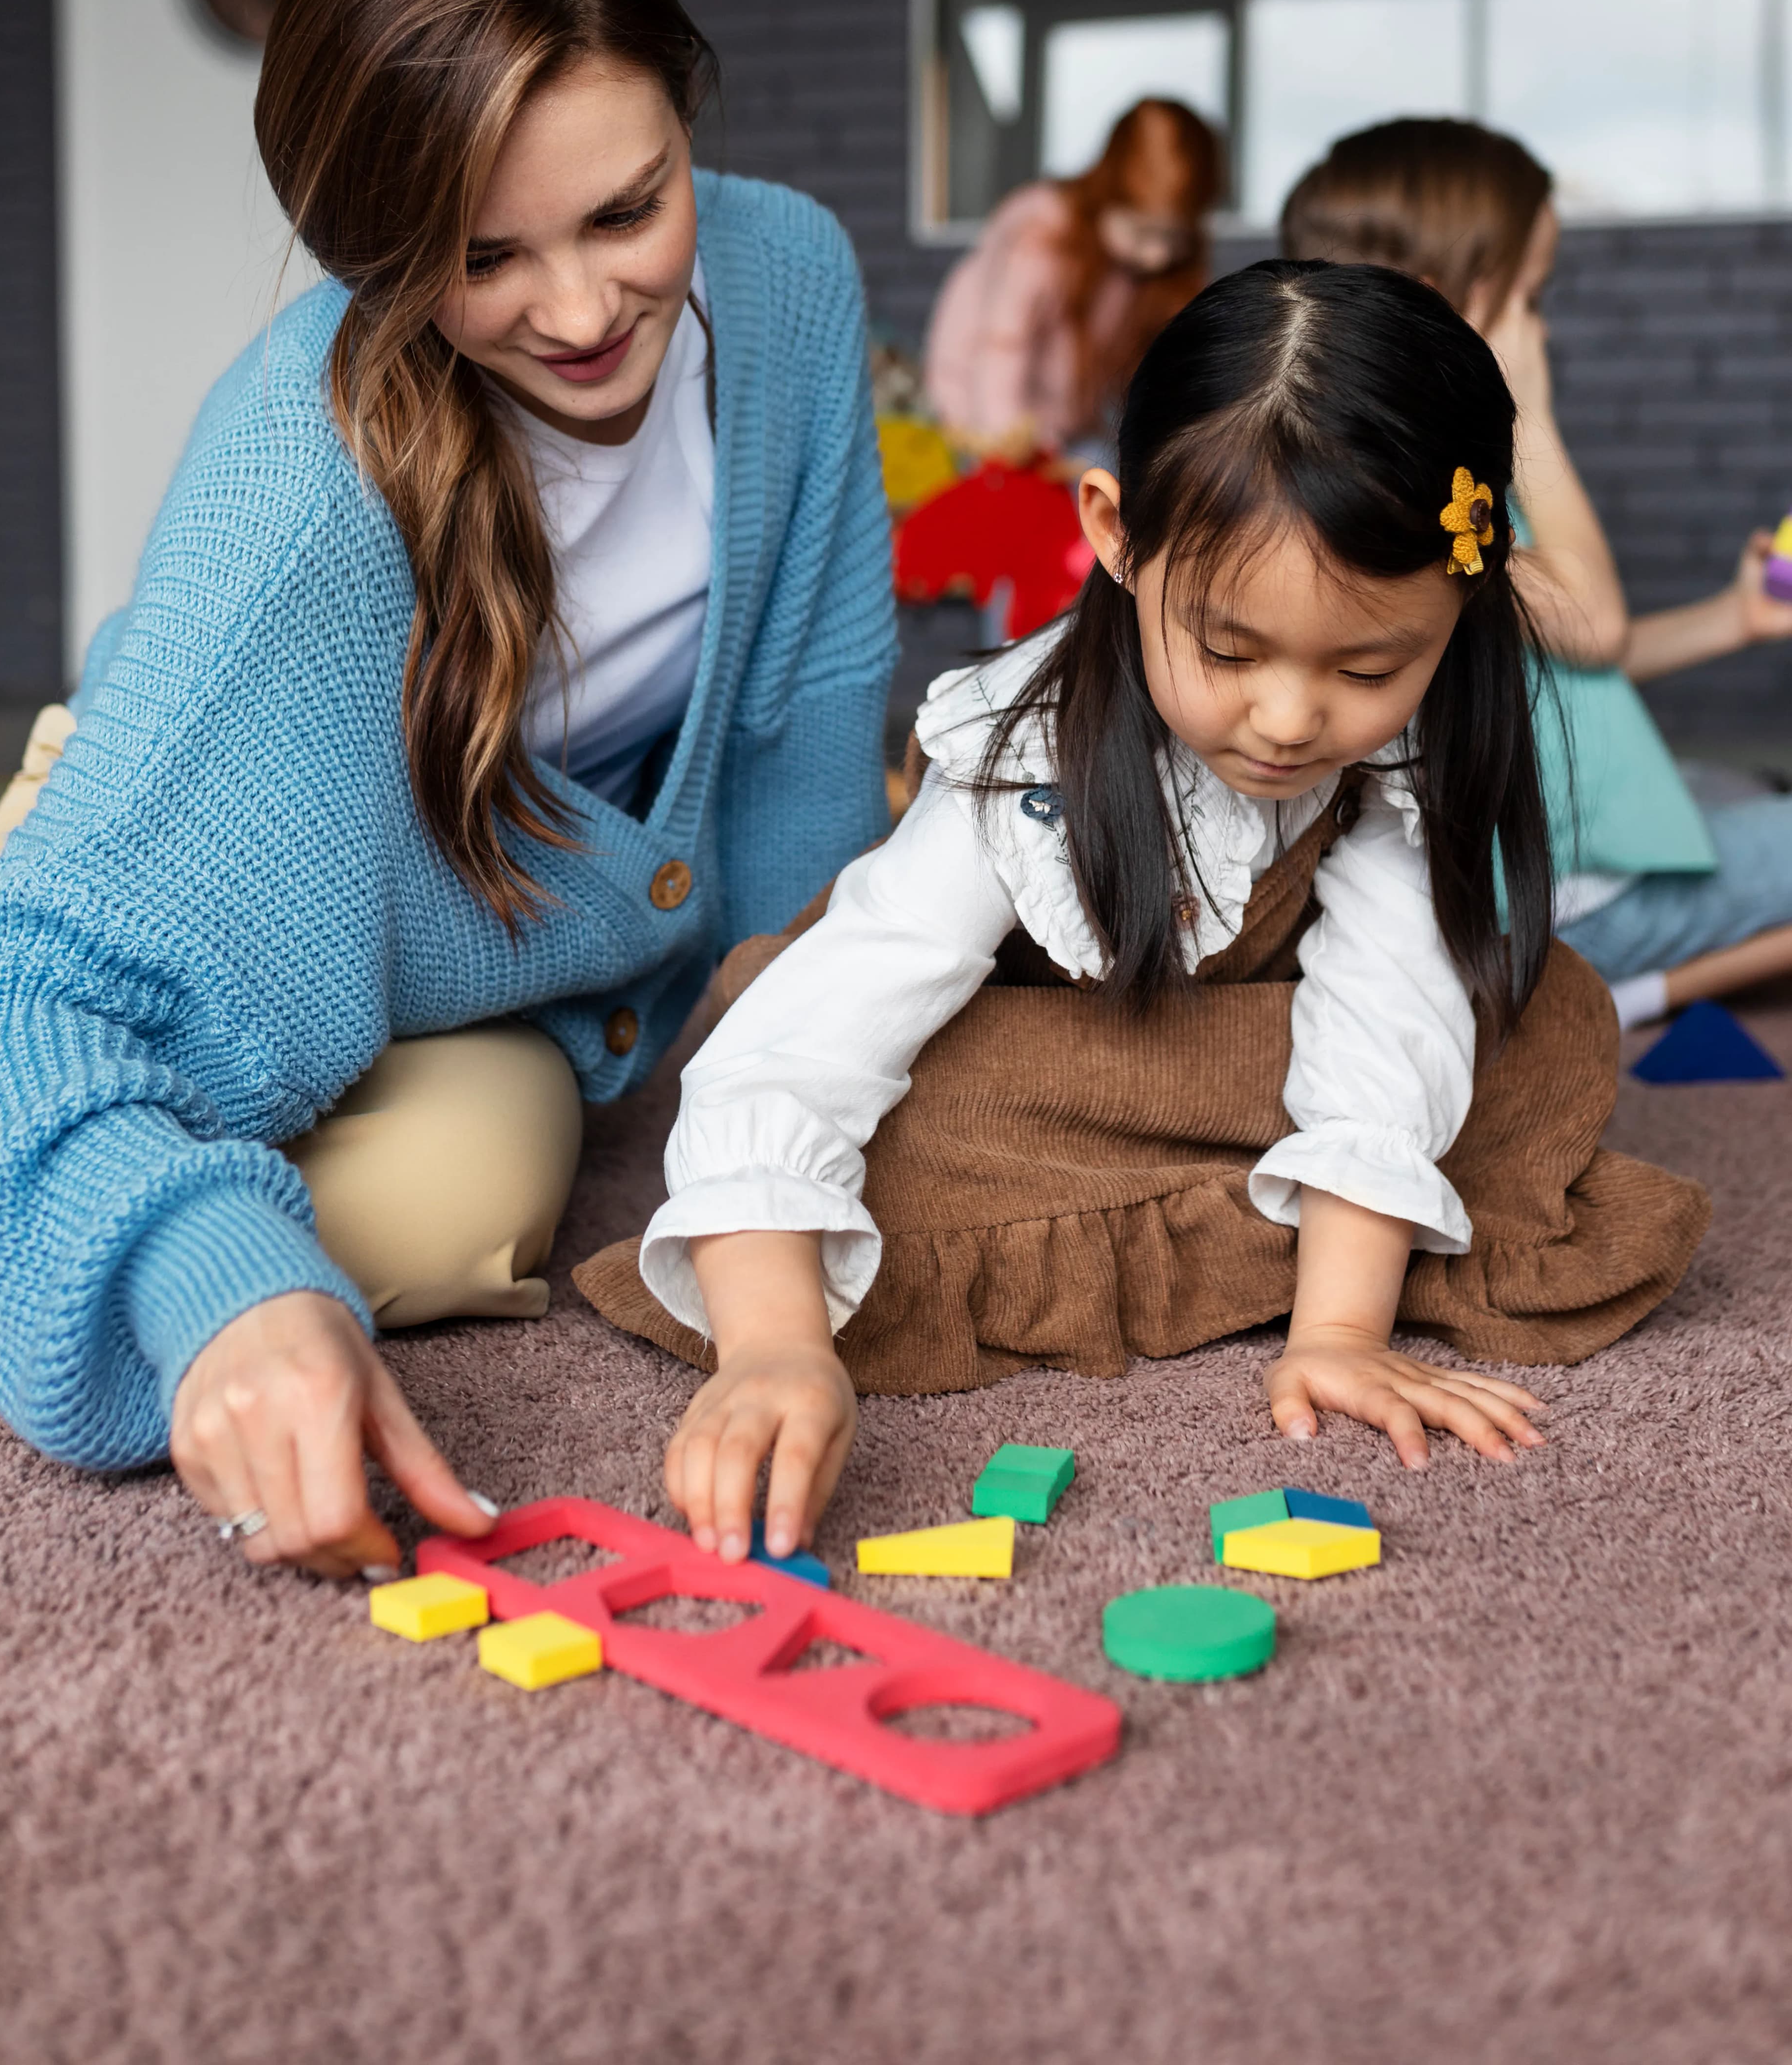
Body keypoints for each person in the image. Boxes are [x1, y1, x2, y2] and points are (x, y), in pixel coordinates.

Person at [0, 0, 895, 1578]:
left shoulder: (791, 281)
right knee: (53, 1264)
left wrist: (785, 1151)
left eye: (627, 205)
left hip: (484, 953)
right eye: (485, 255)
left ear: (686, 106)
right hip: (177, 838)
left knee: (482, 1195)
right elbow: (38, 1015)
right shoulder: (304, 504)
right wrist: (228, 1299)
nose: (586, 309)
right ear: (372, 247)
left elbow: (803, 786)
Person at [574, 263, 1707, 1563]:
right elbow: (812, 1045)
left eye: (1370, 667)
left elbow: (1391, 1005)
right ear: (1116, 536)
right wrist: (775, 1350)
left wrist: (1341, 1335)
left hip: (1271, 1071)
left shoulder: (1412, 749)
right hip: (1039, 1088)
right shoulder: (1024, 754)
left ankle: (1297, 1237)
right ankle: (1253, 1217)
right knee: (851, 1095)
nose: (1290, 720)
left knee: (1545, 1017)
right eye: (1229, 652)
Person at [1282, 118, 1792, 1027]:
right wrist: (1532, 415)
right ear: (1450, 299)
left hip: (1546, 883)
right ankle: (1591, 997)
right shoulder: (1422, 494)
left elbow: (1557, 658)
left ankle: (1609, 992)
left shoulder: (1410, 461)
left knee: (1726, 792)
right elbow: (1591, 622)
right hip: (1545, 904)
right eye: (1531, 294)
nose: (1541, 325)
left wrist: (1733, 617)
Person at [923, 97, 1224, 456]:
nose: (1157, 256)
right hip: (977, 414)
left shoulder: (1148, 274)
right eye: (1143, 232)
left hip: (1063, 425)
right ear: (1108, 193)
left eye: (1175, 238)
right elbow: (1002, 346)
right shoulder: (1042, 235)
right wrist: (1004, 440)